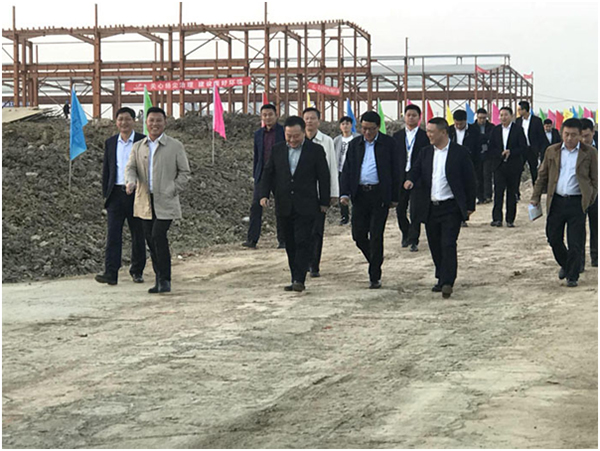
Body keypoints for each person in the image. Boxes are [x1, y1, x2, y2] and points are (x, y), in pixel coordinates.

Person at [404, 117, 476, 298]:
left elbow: (470, 180)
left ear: (443, 132)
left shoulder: (460, 153)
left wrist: (469, 206)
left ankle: (448, 281)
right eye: (427, 131)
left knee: (448, 243)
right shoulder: (425, 152)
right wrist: (410, 179)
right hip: (431, 207)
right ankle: (441, 276)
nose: (428, 135)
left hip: (451, 207)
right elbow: (416, 170)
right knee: (435, 244)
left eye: (431, 132)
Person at [259, 116, 330, 292]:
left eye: (296, 136)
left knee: (303, 241)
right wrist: (264, 194)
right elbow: (268, 174)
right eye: (288, 136)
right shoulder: (277, 150)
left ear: (303, 133)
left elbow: (324, 177)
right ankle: (294, 277)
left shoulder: (315, 150)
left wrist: (324, 201)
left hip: (306, 204)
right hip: (284, 204)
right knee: (289, 242)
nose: (292, 140)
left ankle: (300, 279)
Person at [125, 106, 191, 294]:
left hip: (166, 200)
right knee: (150, 239)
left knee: (158, 236)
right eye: (151, 120)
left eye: (158, 120)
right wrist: (131, 182)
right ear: (146, 123)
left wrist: (172, 189)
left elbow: (185, 173)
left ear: (165, 123)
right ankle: (159, 278)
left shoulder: (175, 146)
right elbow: (131, 168)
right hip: (145, 200)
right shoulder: (138, 147)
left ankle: (165, 279)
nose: (155, 124)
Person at [531, 118, 598, 287]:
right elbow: (542, 176)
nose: (569, 138)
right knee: (553, 237)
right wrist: (535, 196)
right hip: (557, 201)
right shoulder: (552, 151)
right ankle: (567, 264)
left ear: (580, 135)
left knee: (575, 242)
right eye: (566, 134)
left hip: (577, 202)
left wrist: (589, 198)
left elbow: (594, 179)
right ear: (561, 133)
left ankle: (572, 276)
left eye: (573, 135)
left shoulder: (589, 153)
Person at [340, 111, 400, 289]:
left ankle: (374, 275)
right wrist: (344, 193)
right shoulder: (355, 144)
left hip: (379, 195)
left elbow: (396, 171)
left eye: (371, 129)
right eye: (364, 128)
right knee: (358, 235)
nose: (367, 132)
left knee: (376, 235)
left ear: (378, 127)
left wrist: (395, 197)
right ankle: (375, 259)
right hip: (360, 195)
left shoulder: (389, 144)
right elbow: (347, 169)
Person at [95, 107, 147, 286]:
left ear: (134, 121)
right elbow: (107, 169)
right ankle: (111, 273)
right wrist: (106, 194)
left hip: (136, 194)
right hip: (116, 194)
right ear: (116, 122)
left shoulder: (142, 141)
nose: (124, 123)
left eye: (127, 119)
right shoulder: (110, 142)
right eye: (120, 119)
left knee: (138, 234)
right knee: (113, 235)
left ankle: (137, 271)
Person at [243, 103, 286, 249]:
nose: (267, 117)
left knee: (281, 206)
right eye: (264, 115)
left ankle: (283, 240)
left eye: (270, 114)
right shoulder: (258, 134)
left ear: (276, 115)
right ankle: (252, 240)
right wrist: (256, 174)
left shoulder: (283, 132)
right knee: (256, 206)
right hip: (262, 174)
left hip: (280, 174)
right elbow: (257, 156)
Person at [303, 107, 339, 278]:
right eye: (306, 118)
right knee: (302, 231)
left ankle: (314, 265)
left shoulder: (326, 141)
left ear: (318, 121)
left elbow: (332, 167)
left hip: (319, 194)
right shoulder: (297, 139)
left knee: (317, 230)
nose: (309, 121)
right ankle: (303, 262)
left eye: (312, 118)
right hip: (301, 194)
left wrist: (333, 192)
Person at [393, 104, 430, 251]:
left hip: (418, 176)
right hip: (401, 176)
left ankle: (414, 239)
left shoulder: (424, 136)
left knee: (415, 210)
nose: (411, 118)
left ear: (419, 118)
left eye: (414, 115)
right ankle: (405, 232)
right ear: (404, 117)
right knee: (400, 209)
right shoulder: (397, 136)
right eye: (408, 115)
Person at [488, 106, 527, 227]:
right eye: (501, 115)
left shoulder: (518, 130)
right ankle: (497, 219)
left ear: (511, 116)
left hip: (513, 166)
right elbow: (491, 148)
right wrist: (500, 153)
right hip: (499, 166)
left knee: (511, 193)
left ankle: (510, 219)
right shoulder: (495, 130)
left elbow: (523, 147)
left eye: (506, 115)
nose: (503, 117)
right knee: (498, 193)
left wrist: (511, 152)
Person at [448, 109, 478, 227]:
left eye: (461, 124)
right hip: (452, 164)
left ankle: (464, 215)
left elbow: (477, 148)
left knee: (466, 189)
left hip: (468, 164)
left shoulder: (473, 131)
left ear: (466, 121)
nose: (459, 126)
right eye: (457, 123)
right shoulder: (449, 131)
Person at [333, 116, 360, 225]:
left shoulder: (357, 138)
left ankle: (356, 215)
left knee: (355, 192)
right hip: (340, 170)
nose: (345, 126)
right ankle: (344, 216)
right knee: (342, 193)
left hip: (354, 170)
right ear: (340, 126)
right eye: (343, 124)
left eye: (347, 124)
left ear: (351, 125)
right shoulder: (337, 140)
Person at [580, 118, 598, 268]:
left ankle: (596, 256)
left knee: (596, 226)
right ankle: (579, 261)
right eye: (582, 136)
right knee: (578, 228)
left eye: (587, 136)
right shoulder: (574, 149)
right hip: (579, 194)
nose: (584, 140)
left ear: (593, 132)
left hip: (597, 193)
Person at [516, 100, 545, 188]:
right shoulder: (518, 121)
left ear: (525, 110)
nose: (518, 112)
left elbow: (541, 136)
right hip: (521, 149)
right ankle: (516, 191)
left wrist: (539, 150)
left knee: (533, 170)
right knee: (518, 169)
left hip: (532, 149)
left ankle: (536, 189)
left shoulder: (537, 121)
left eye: (520, 110)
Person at [475, 108, 495, 204]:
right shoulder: (473, 127)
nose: (482, 120)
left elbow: (492, 138)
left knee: (487, 175)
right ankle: (479, 196)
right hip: (476, 155)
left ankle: (488, 196)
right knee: (477, 176)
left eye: (484, 118)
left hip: (488, 154)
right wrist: (484, 138)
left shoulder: (491, 127)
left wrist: (483, 138)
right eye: (480, 118)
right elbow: (475, 139)